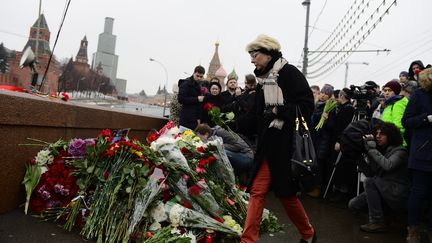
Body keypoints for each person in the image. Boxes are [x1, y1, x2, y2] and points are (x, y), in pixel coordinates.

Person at [241, 34, 316, 243]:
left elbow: (306, 106)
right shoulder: (263, 82)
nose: (252, 60)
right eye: (251, 56)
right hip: (267, 145)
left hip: (286, 146)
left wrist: (278, 110)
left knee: (286, 195)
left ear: (268, 54)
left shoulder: (290, 73)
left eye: (255, 55)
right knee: (257, 191)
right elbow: (256, 116)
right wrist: (227, 124)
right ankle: (248, 240)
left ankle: (308, 234)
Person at [348, 122, 409, 233]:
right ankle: (385, 215)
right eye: (377, 133)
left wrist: (372, 150)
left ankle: (377, 221)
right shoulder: (382, 150)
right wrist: (359, 154)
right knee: (353, 205)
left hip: (396, 193)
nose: (378, 136)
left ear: (391, 136)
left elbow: (388, 165)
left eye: (382, 134)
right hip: (383, 189)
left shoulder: (400, 151)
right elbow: (372, 172)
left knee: (370, 182)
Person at [402, 67, 432, 243]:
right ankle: (413, 229)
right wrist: (426, 118)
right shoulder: (419, 94)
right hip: (423, 152)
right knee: (418, 193)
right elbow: (406, 121)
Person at [381, 80, 408, 146]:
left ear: (396, 91)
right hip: (389, 142)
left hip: (397, 143)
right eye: (385, 90)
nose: (386, 93)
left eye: (390, 90)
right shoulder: (389, 104)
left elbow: (398, 126)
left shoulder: (398, 104)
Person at [178, 65, 206, 130]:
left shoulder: (200, 85)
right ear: (194, 73)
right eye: (197, 76)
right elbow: (181, 99)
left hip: (195, 120)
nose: (199, 78)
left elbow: (199, 105)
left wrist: (198, 118)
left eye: (201, 76)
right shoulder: (185, 83)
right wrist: (197, 99)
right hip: (186, 119)